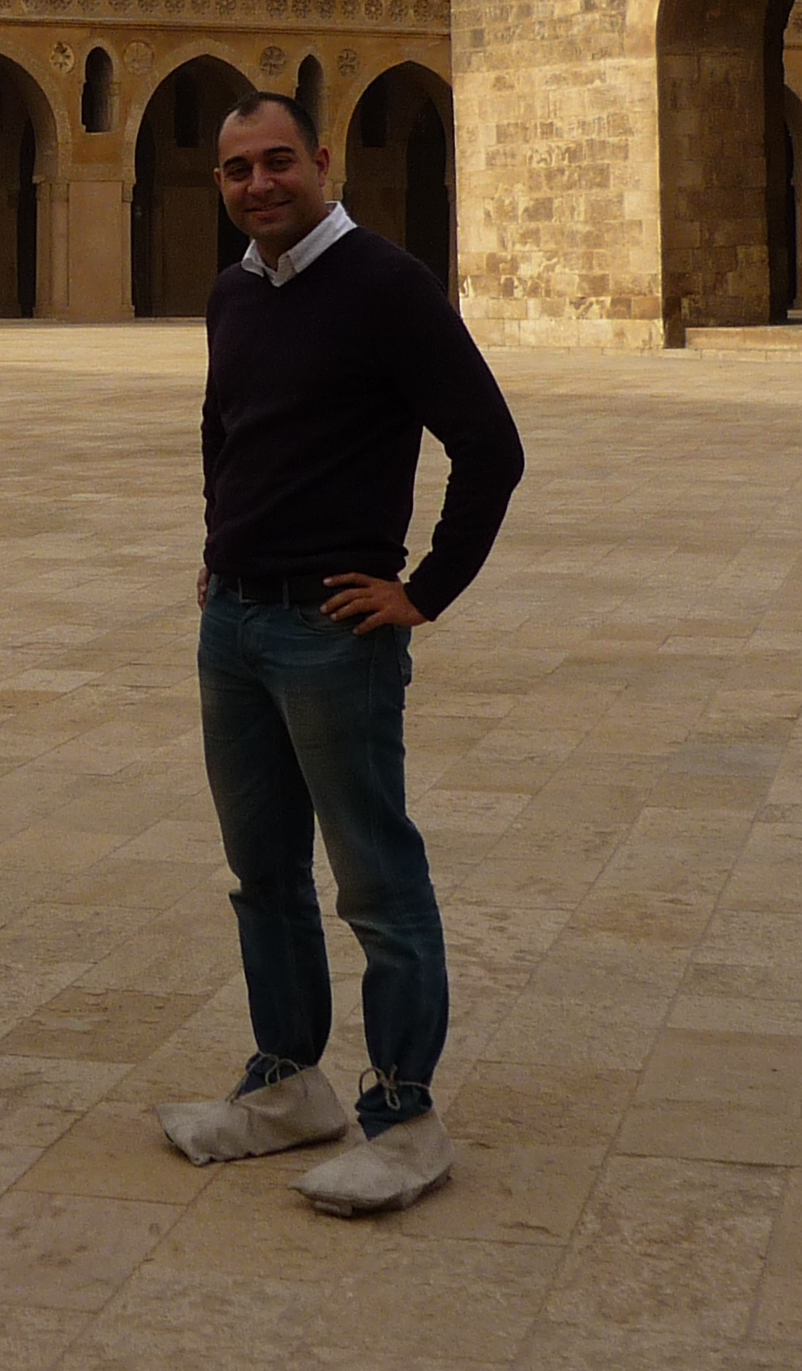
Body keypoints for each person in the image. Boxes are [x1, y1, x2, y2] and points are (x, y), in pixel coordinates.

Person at [157, 88, 524, 1217]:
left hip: (332, 628)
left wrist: (424, 592)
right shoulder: (234, 293)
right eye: (237, 170)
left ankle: (404, 1118)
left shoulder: (386, 286)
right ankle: (287, 1084)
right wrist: (220, 547)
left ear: (322, 160)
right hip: (235, 624)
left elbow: (490, 447)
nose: (259, 184)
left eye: (278, 162)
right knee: (263, 872)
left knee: (374, 878)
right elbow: (224, 430)